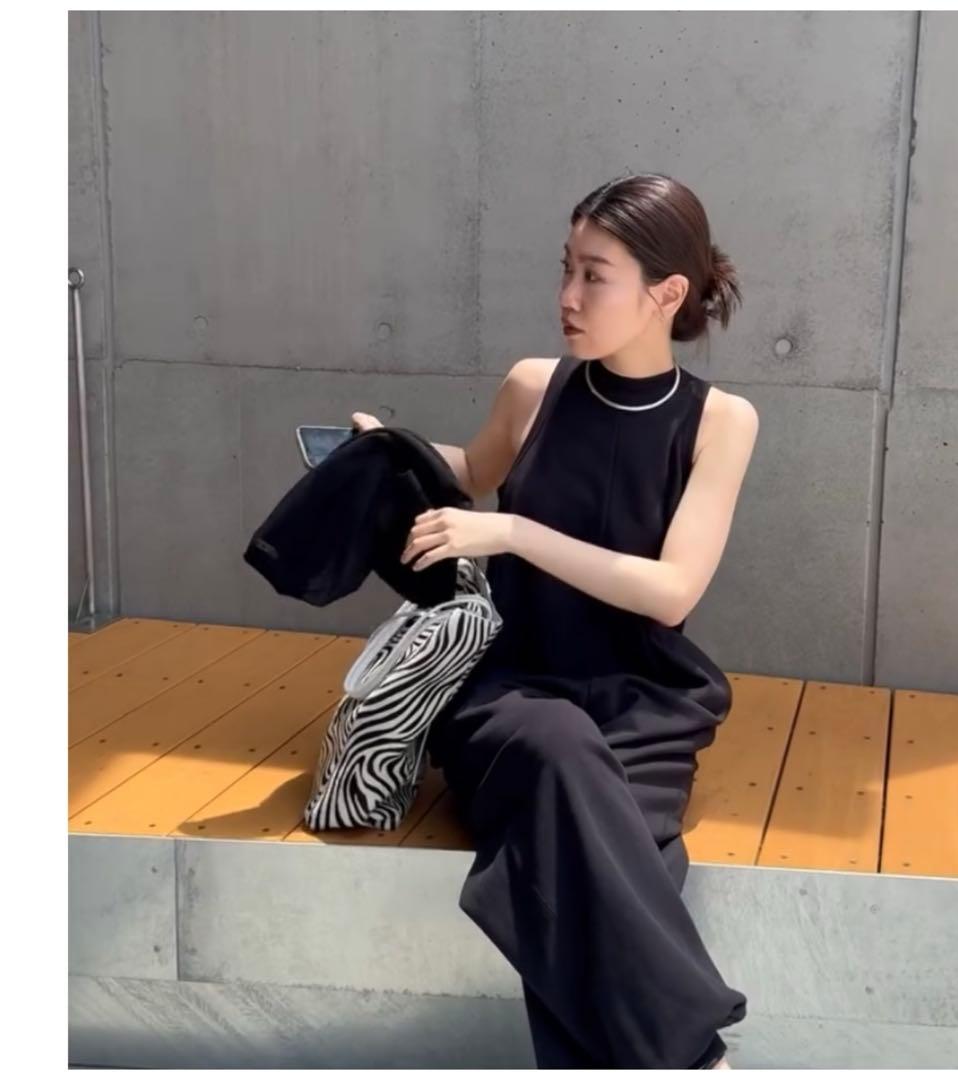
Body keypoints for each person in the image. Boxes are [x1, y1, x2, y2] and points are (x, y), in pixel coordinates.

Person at [350, 172, 759, 1069]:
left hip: (643, 701)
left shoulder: (720, 422)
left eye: (594, 275)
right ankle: (693, 1052)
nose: (567, 295)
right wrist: (390, 449)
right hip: (510, 691)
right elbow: (472, 471)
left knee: (593, 853)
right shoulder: (535, 386)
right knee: (568, 767)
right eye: (565, 268)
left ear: (667, 293)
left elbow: (673, 590)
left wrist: (514, 533)